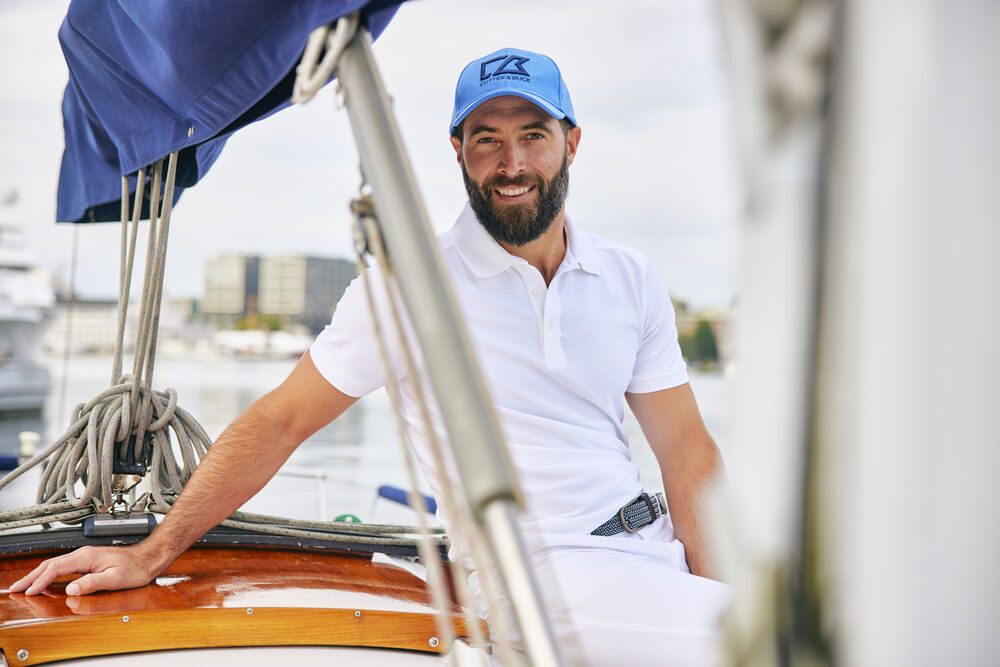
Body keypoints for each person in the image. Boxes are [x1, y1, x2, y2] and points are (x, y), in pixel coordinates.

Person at [11, 47, 731, 665]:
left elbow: (687, 454)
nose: (512, 164)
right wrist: (150, 553)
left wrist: (720, 582)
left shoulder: (629, 276)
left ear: (572, 142)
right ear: (458, 149)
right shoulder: (410, 284)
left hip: (650, 548)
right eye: (487, 139)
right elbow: (283, 421)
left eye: (533, 136)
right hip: (536, 572)